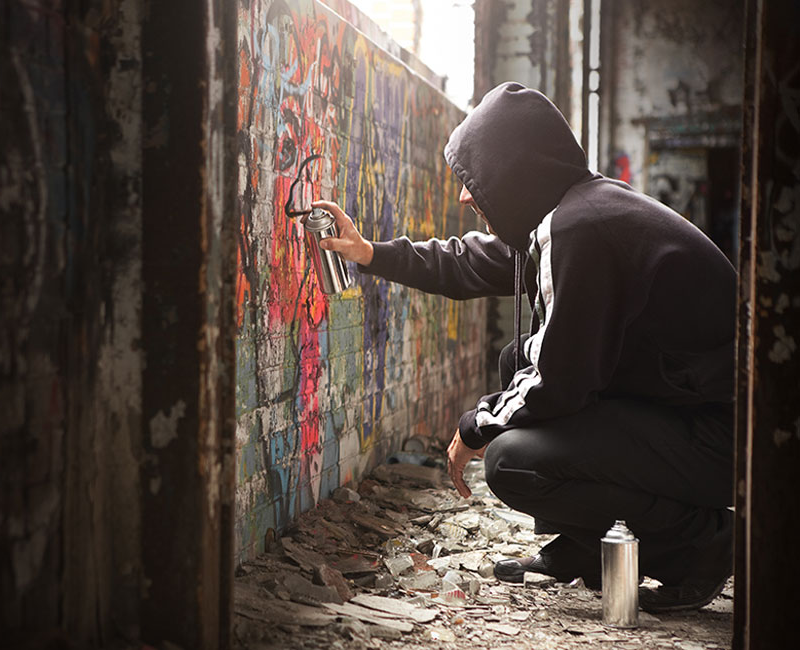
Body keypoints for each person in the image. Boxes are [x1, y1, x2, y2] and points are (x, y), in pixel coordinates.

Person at [312, 81, 735, 613]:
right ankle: (588, 548)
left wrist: (477, 425)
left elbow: (561, 381)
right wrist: (369, 252)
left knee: (512, 461)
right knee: (516, 362)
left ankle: (703, 542)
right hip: (687, 411)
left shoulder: (582, 228)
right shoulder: (570, 210)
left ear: (515, 173)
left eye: (475, 179)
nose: (467, 195)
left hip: (724, 439)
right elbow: (467, 261)